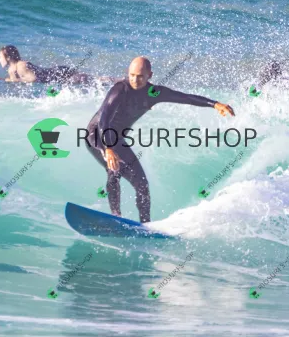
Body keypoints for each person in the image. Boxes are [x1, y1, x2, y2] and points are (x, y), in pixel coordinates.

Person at [85, 56, 235, 223]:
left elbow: (185, 98)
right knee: (114, 170)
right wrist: (108, 149)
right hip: (97, 135)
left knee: (142, 183)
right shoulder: (120, 90)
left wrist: (215, 104)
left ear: (150, 75)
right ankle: (115, 216)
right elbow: (104, 120)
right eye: (132, 75)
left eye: (140, 76)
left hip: (116, 139)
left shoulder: (154, 93)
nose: (135, 80)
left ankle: (145, 225)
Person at [0, 45, 110, 85]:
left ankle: (115, 80)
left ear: (8, 57)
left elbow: (33, 79)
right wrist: (2, 80)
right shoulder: (11, 70)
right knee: (91, 81)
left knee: (94, 80)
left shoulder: (21, 65)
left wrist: (14, 81)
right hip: (55, 77)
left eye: (0, 57)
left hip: (59, 73)